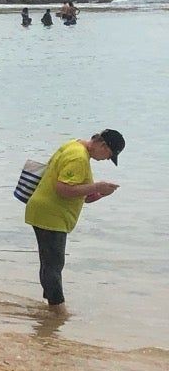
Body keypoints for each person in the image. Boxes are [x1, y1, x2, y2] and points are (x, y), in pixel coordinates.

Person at [23, 129, 124, 308]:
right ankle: (57, 309)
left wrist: (98, 193)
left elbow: (77, 191)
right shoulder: (78, 157)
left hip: (46, 211)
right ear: (102, 145)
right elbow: (62, 188)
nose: (107, 159)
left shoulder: (73, 145)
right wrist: (96, 185)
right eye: (109, 155)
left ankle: (50, 305)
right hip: (51, 215)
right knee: (54, 264)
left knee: (49, 263)